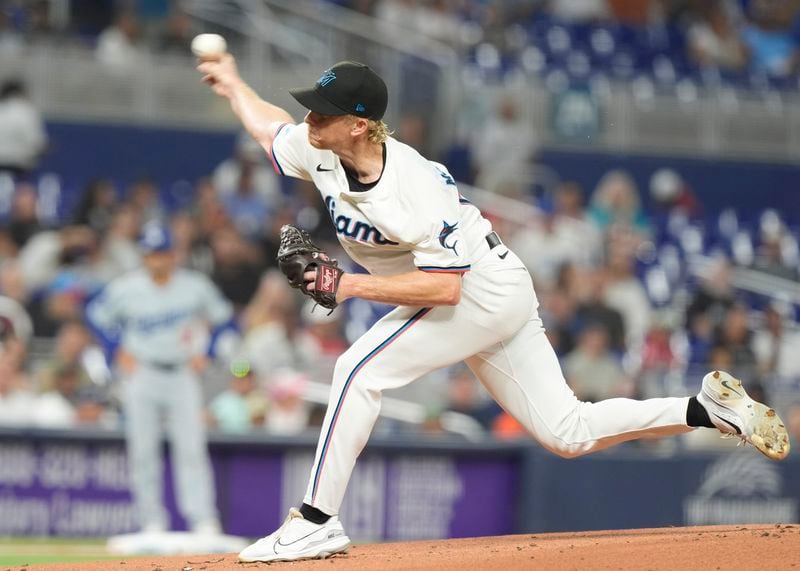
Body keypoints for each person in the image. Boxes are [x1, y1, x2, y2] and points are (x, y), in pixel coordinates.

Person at [197, 55, 790, 563]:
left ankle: (316, 518)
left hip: (476, 290)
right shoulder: (323, 144)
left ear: (359, 125)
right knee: (567, 431)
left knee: (358, 369)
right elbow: (270, 128)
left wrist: (345, 287)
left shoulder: (412, 188)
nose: (309, 118)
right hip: (489, 289)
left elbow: (444, 291)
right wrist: (231, 84)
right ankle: (703, 408)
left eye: (322, 111)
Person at [86, 222, 232, 535]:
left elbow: (223, 319)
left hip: (181, 373)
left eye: (162, 253)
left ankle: (202, 518)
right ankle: (151, 520)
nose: (157, 260)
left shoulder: (194, 286)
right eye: (152, 254)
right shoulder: (127, 288)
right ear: (144, 256)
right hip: (143, 372)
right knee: (143, 450)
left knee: (191, 448)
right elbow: (95, 316)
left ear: (173, 255)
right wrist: (115, 350)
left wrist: (206, 350)